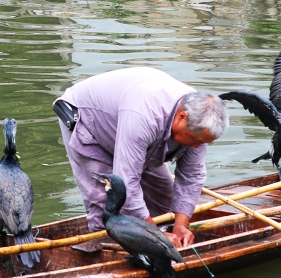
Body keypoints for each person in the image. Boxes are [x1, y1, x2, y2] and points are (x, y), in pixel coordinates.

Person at [54, 67, 229, 248]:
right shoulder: (144, 117)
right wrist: (155, 237)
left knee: (163, 198)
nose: (196, 146)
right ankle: (104, 251)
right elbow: (126, 181)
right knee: (108, 201)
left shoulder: (199, 125)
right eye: (194, 140)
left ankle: (161, 243)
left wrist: (181, 226)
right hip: (89, 122)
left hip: (138, 132)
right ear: (182, 117)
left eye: (203, 142)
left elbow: (192, 176)